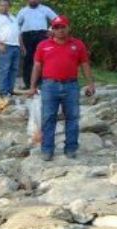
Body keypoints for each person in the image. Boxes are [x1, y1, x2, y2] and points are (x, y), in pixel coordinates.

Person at [28, 15, 94, 161]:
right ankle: (47, 150)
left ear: (68, 27)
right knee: (48, 118)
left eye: (62, 27)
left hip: (71, 86)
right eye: (56, 27)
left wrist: (90, 83)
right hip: (49, 86)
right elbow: (37, 66)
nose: (60, 30)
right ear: (52, 29)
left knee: (72, 118)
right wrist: (32, 87)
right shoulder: (43, 45)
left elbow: (84, 64)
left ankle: (71, 148)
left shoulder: (78, 44)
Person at [16, 0, 57, 90]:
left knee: (43, 60)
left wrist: (50, 30)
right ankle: (28, 84)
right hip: (27, 36)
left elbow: (56, 19)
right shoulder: (23, 11)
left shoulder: (45, 9)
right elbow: (16, 25)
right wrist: (20, 39)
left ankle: (42, 84)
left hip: (42, 35)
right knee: (28, 60)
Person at [0, 0, 21, 99]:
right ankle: (3, 92)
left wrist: (22, 46)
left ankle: (10, 90)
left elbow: (18, 33)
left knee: (14, 69)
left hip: (16, 46)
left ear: (9, 6)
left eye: (6, 5)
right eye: (2, 5)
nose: (4, 7)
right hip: (5, 46)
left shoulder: (13, 17)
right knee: (4, 69)